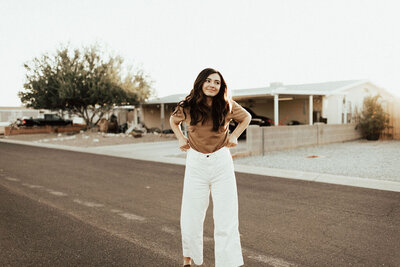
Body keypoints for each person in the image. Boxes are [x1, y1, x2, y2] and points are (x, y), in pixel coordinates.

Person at [169, 68, 251, 267]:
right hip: (196, 162)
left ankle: (228, 263)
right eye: (208, 81)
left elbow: (246, 117)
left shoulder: (227, 105)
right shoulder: (187, 106)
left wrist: (234, 136)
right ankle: (188, 259)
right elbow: (174, 120)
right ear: (200, 83)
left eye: (216, 82)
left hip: (221, 161)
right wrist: (180, 137)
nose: (212, 85)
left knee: (226, 214)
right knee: (191, 212)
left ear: (221, 86)